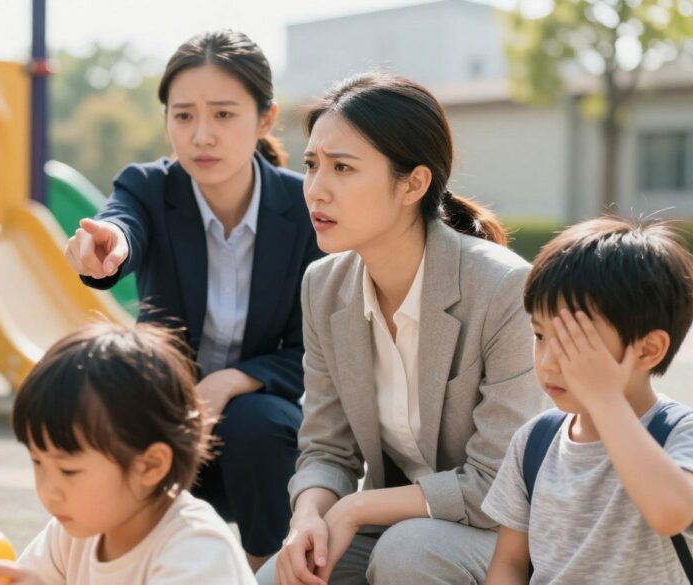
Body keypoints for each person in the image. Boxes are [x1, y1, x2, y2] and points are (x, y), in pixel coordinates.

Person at [263, 73, 546, 585]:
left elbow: (497, 482)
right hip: (396, 525)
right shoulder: (323, 286)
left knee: (407, 553)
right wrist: (308, 517)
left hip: (510, 534)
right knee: (278, 579)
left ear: (413, 183)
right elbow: (327, 448)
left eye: (342, 168)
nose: (316, 189)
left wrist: (354, 510)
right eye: (311, 165)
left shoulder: (503, 287)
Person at [65, 30, 322, 570]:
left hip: (267, 439)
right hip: (169, 419)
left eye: (224, 115)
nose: (201, 135)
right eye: (183, 116)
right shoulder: (149, 188)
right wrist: (107, 248)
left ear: (266, 119)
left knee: (257, 421)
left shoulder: (304, 210)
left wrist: (231, 381)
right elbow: (122, 226)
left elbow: (317, 351)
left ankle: (269, 572)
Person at [483, 218, 693, 584]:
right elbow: (510, 563)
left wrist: (604, 399)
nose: (548, 362)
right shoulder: (534, 442)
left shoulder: (679, 432)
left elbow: (670, 513)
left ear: (648, 350)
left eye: (575, 344)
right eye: (539, 335)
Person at [0, 323, 256, 585]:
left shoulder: (196, 549)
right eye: (37, 462)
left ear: (150, 465)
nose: (48, 492)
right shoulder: (74, 530)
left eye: (69, 471)